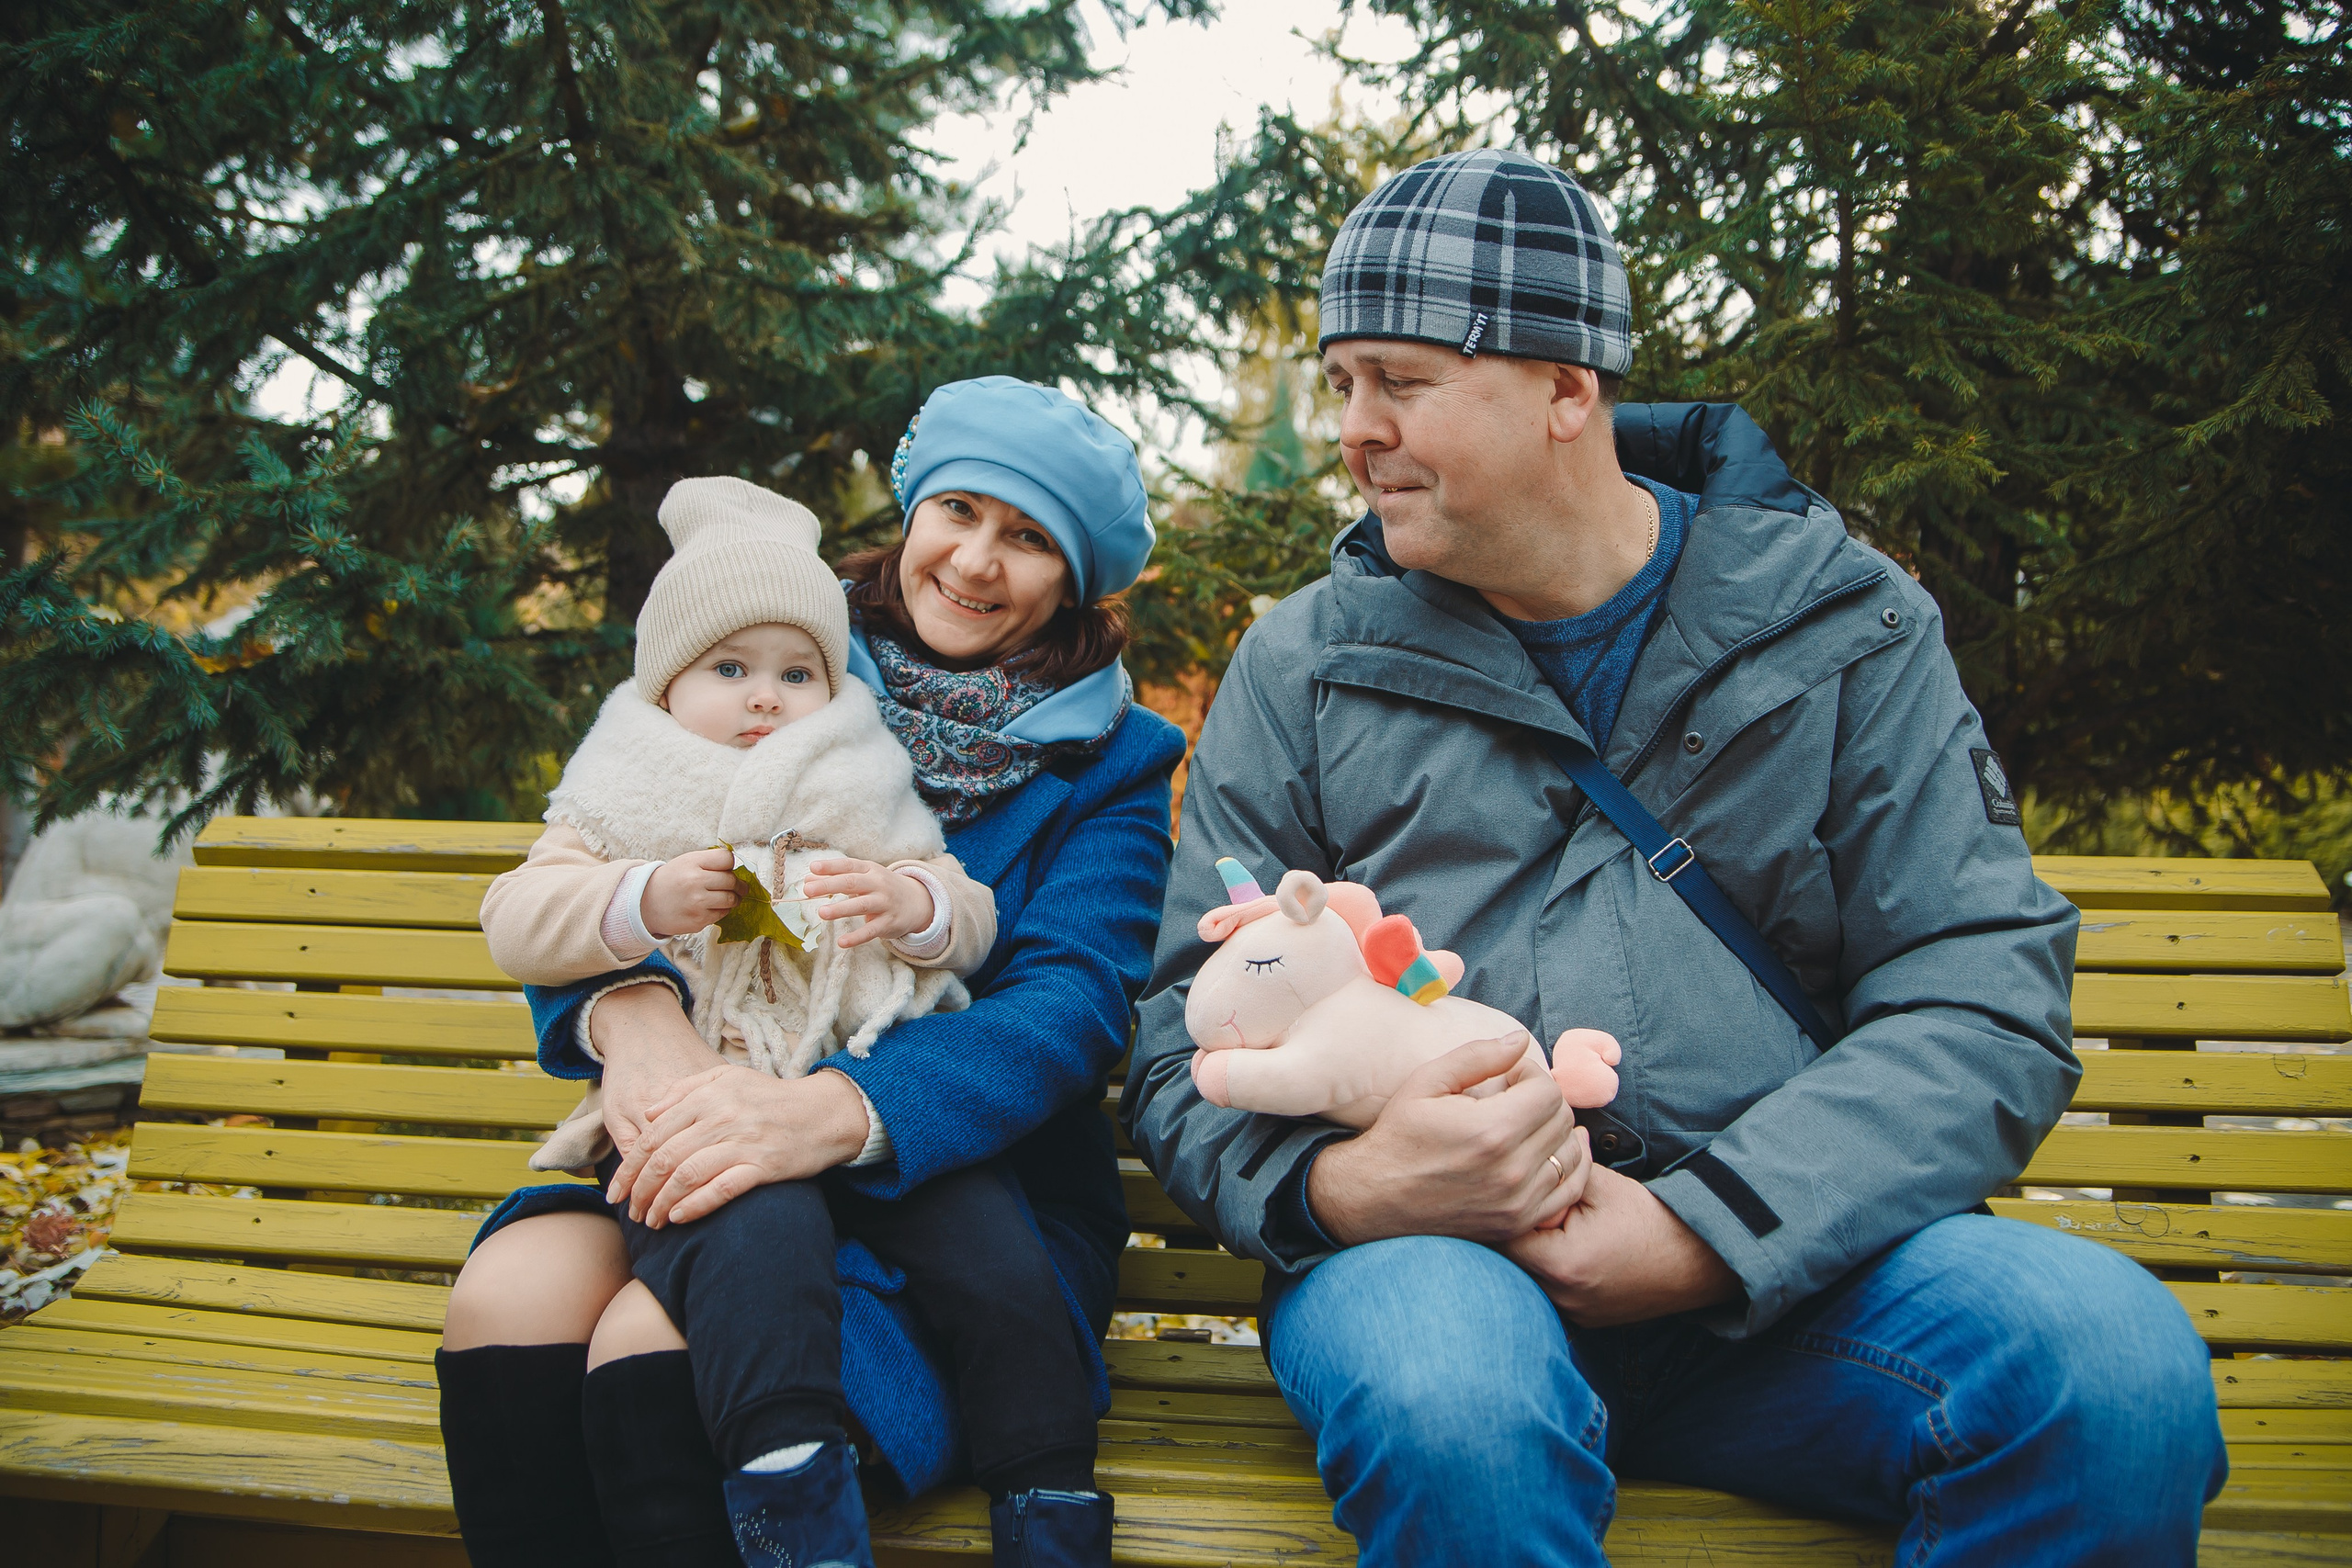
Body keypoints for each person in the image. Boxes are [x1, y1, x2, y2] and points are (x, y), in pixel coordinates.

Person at [1125, 149, 2227, 1567]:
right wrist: (1348, 1190)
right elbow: (1181, 1032)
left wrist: (1710, 1229)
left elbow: (1978, 995)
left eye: (1399, 380)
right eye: (1341, 383)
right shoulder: (1304, 667)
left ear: (1568, 389)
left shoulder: (1848, 625)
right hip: (1426, 1270)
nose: (1354, 429)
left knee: (2110, 1367)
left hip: (1796, 1271)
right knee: (1453, 1407)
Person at [437, 377, 1184, 1568]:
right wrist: (629, 1017)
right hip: (717, 1119)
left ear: (1075, 582)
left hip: (960, 1196)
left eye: (1031, 538)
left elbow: (1072, 1005)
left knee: (654, 1338)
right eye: (962, 513)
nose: (979, 562)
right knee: (511, 1293)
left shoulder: (1113, 763)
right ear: (912, 514)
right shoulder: (765, 656)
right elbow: (605, 861)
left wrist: (835, 1112)